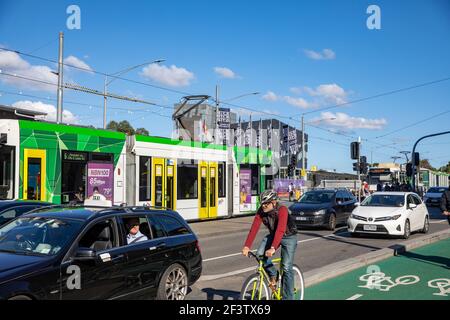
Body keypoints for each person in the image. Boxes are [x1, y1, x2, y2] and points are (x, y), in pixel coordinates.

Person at [242, 190, 298, 300]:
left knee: (286, 267)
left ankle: (288, 298)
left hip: (289, 237)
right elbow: (254, 229)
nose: (263, 206)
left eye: (266, 203)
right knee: (259, 254)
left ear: (273, 202)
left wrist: (273, 248)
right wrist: (247, 246)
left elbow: (281, 230)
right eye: (262, 203)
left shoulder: (282, 210)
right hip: (274, 235)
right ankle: (274, 275)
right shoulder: (261, 211)